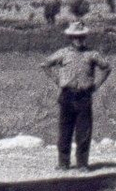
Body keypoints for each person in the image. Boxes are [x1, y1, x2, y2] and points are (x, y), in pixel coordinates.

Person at [43, 21, 111, 171]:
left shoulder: (92, 54)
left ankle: (82, 164)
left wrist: (96, 85)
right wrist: (58, 80)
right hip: (67, 96)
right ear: (70, 38)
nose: (78, 40)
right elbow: (45, 64)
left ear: (85, 37)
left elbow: (106, 68)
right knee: (65, 131)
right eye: (75, 37)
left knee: (84, 132)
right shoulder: (62, 53)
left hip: (84, 97)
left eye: (81, 36)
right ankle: (63, 163)